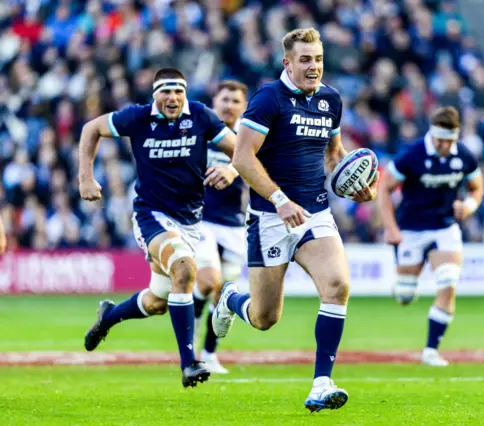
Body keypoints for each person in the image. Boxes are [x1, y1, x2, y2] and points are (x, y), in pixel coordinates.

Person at [211, 28, 378, 412]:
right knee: (265, 317)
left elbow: (334, 154)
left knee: (337, 285)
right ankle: (231, 299)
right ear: (287, 62)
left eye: (318, 59)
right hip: (270, 217)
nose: (314, 66)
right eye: (305, 59)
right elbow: (241, 158)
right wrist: (279, 199)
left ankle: (322, 383)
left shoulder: (331, 100)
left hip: (315, 212)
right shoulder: (268, 99)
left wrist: (357, 184)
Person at [79, 67, 237, 387]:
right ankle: (190, 363)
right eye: (165, 91)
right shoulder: (137, 118)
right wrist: (85, 175)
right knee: (184, 269)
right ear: (155, 95)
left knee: (157, 302)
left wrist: (233, 171)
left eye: (178, 91)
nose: (173, 98)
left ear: (185, 93)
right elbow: (91, 128)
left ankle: (109, 316)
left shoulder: (201, 116)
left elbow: (241, 150)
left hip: (190, 220)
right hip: (151, 215)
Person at [378, 106, 484, 367]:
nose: (445, 145)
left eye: (450, 140)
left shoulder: (465, 157)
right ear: (432, 135)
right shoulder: (412, 155)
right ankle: (404, 284)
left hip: (444, 227)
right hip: (411, 228)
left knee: (448, 280)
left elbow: (477, 188)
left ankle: (431, 350)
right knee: (404, 295)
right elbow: (385, 189)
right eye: (441, 140)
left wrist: (470, 205)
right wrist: (390, 227)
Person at [192, 80, 249, 374]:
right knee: (206, 280)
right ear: (215, 102)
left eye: (235, 101)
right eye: (224, 99)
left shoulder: (247, 138)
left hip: (235, 224)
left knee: (223, 293)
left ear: (243, 106)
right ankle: (190, 334)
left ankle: (209, 354)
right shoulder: (202, 132)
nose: (229, 105)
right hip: (201, 219)